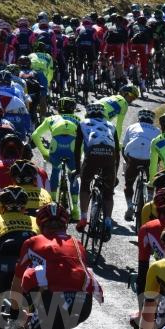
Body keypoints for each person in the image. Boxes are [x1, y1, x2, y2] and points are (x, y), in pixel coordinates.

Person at [30, 97, 81, 219]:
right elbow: (84, 139)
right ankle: (75, 210)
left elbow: (35, 135)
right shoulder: (78, 119)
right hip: (72, 148)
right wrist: (80, 154)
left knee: (55, 171)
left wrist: (44, 152)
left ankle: (52, 203)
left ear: (58, 108)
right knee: (73, 175)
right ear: (73, 109)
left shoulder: (51, 118)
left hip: (56, 147)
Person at [74, 102, 119, 240]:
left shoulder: (83, 123)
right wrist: (115, 174)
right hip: (109, 155)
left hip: (92, 155)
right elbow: (117, 153)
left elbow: (77, 149)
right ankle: (107, 222)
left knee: (85, 185)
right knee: (108, 192)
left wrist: (77, 169)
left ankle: (83, 218)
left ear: (88, 113)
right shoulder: (111, 125)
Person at [121, 109, 161, 221]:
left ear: (139, 118)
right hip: (149, 159)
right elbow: (159, 149)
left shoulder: (131, 127)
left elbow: (124, 148)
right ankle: (148, 201)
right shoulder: (157, 130)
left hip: (133, 157)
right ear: (152, 120)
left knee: (128, 184)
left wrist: (128, 161)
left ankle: (129, 206)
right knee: (151, 182)